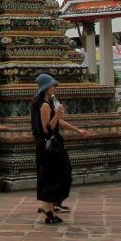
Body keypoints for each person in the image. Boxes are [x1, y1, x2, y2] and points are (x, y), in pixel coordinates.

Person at [31, 73, 90, 225]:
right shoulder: (43, 105)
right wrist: (57, 114)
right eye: (52, 85)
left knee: (59, 173)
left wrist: (77, 130)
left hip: (53, 144)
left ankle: (49, 206)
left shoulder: (48, 102)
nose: (54, 88)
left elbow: (58, 123)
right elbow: (47, 129)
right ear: (46, 87)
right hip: (48, 146)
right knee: (53, 175)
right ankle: (48, 209)